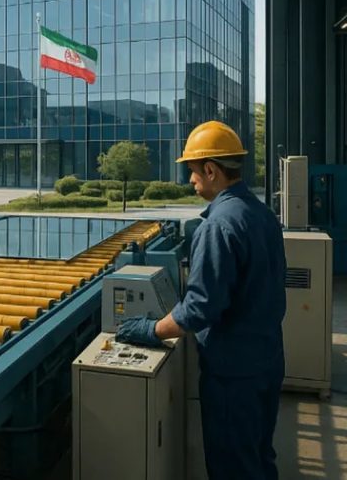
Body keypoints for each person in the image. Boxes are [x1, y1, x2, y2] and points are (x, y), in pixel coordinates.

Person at [115, 120, 286, 479]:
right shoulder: (264, 216)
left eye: (193, 172)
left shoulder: (218, 226)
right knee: (259, 455)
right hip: (267, 360)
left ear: (211, 170)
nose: (190, 180)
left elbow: (197, 310)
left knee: (232, 466)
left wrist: (150, 329)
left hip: (232, 373)